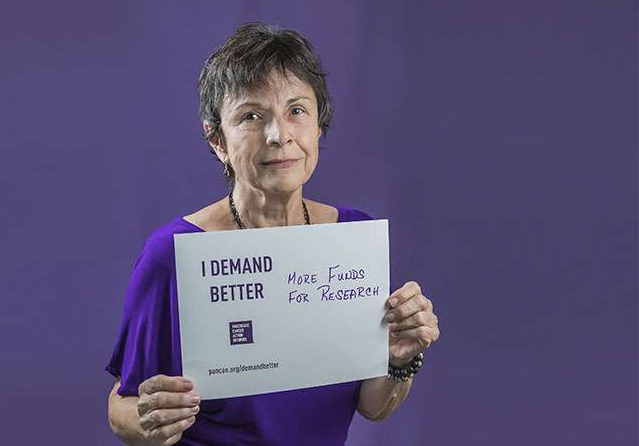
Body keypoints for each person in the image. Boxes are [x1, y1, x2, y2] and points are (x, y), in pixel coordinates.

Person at [105, 22, 440, 446]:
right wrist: (149, 418)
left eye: (296, 111)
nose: (279, 135)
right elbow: (121, 407)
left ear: (319, 126)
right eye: (251, 116)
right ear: (217, 140)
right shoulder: (173, 253)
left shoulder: (353, 240)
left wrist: (399, 359)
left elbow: (374, 407)